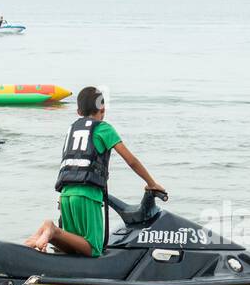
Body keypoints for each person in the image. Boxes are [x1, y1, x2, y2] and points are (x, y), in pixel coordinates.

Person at [25, 86, 166, 257]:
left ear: (78, 111)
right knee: (93, 249)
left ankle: (48, 233)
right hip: (88, 196)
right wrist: (152, 183)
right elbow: (131, 160)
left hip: (65, 196)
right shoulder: (103, 128)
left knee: (75, 248)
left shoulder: (72, 129)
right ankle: (51, 229)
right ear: (103, 109)